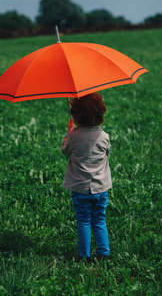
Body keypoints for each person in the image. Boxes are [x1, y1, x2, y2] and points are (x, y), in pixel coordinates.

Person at [61, 92, 112, 261]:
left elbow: (65, 152)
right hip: (100, 187)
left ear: (76, 115)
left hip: (80, 188)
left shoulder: (74, 136)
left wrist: (68, 133)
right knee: (99, 219)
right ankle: (104, 253)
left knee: (83, 220)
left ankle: (84, 256)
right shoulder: (104, 137)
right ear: (100, 113)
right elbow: (107, 153)